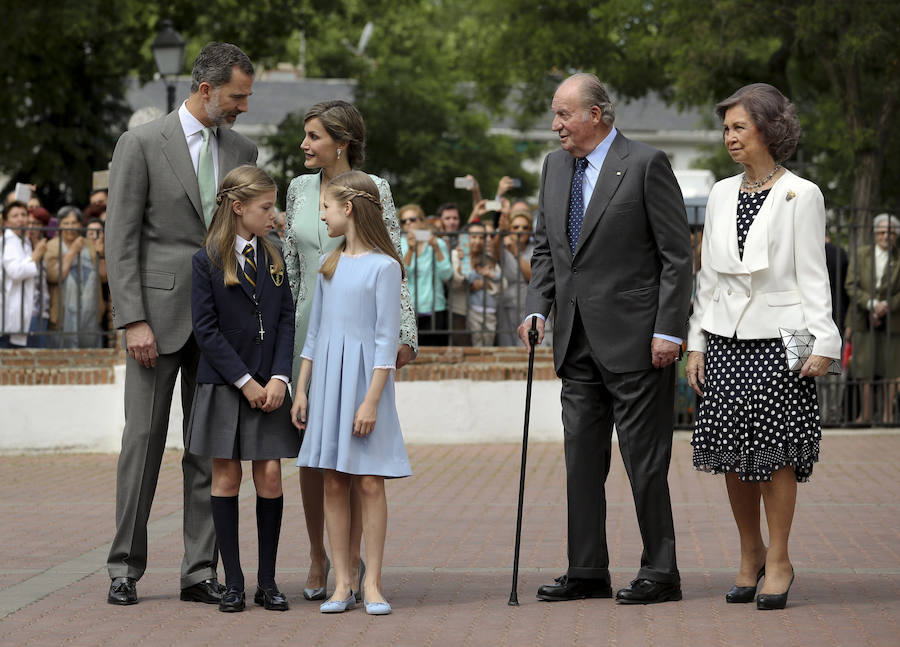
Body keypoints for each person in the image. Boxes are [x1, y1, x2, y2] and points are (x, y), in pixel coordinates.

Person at [520, 73, 692, 605]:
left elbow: (676, 256)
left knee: (645, 462)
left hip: (639, 344)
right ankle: (587, 569)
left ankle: (661, 572)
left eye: (564, 114)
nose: (556, 126)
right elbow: (546, 248)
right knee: (581, 463)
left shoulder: (645, 164)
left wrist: (669, 329)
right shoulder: (552, 168)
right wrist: (537, 308)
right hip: (574, 343)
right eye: (556, 115)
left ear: (596, 113)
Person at [104, 42, 258, 606]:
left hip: (220, 325)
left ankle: (199, 571)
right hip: (157, 320)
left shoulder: (243, 147)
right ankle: (124, 567)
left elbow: (244, 238)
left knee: (209, 448)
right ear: (205, 90)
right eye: (237, 97)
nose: (243, 107)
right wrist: (134, 319)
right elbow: (119, 239)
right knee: (141, 443)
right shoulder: (140, 144)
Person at [685, 83, 841, 610]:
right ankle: (750, 552)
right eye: (725, 128)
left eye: (739, 127)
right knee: (731, 453)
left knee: (775, 454)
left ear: (768, 129)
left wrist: (822, 343)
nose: (729, 137)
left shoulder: (803, 193)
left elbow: (813, 278)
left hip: (783, 340)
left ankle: (780, 559)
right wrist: (695, 344)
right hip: (725, 340)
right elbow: (706, 277)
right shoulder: (722, 194)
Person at [282, 99, 417, 602]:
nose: (305, 145)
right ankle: (321, 555)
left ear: (340, 141)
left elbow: (392, 253)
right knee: (314, 456)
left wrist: (406, 335)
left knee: (357, 459)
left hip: (363, 331)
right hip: (309, 327)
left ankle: (357, 564)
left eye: (313, 136)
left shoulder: (372, 187)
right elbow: (295, 269)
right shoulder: (297, 188)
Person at [187, 166, 299, 613]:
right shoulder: (206, 259)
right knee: (226, 478)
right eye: (266, 207)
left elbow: (287, 321)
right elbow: (206, 330)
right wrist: (245, 381)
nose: (274, 216)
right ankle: (232, 582)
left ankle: (266, 582)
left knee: (270, 476)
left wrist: (279, 378)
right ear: (238, 208)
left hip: (269, 385)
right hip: (226, 386)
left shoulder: (274, 256)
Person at [846, 213, 900, 423]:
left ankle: (887, 416)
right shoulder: (861, 254)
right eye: (882, 232)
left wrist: (887, 305)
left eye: (891, 232)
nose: (886, 236)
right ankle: (865, 415)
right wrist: (871, 304)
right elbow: (850, 284)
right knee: (863, 369)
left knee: (890, 369)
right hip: (862, 318)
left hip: (893, 321)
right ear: (875, 233)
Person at [44, 206, 104, 348]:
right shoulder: (52, 246)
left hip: (91, 315)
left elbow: (103, 277)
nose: (70, 227)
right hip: (63, 316)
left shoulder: (89, 244)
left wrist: (101, 255)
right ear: (59, 226)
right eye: (66, 223)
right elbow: (54, 276)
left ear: (80, 225)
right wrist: (72, 251)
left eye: (73, 223)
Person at [400, 205, 452, 345]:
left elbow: (446, 274)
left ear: (422, 221)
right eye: (404, 221)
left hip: (435, 306)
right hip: (409, 308)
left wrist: (436, 248)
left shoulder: (437, 243)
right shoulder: (400, 244)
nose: (408, 223)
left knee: (436, 349)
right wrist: (411, 250)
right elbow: (401, 274)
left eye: (412, 219)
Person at [1, 201, 47, 348]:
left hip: (19, 313)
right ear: (7, 221)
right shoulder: (7, 242)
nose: (20, 219)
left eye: (23, 215)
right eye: (15, 216)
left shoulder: (22, 241)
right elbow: (15, 271)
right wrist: (35, 256)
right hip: (8, 312)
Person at [457, 221, 500, 346]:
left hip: (489, 309)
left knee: (488, 340)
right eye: (473, 237)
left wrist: (487, 283)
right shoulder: (460, 255)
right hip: (469, 310)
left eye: (481, 237)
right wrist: (464, 260)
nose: (477, 241)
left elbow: (502, 282)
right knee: (476, 341)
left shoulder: (488, 257)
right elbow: (462, 280)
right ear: (466, 238)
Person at [495, 208, 534, 346]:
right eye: (516, 227)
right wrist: (500, 231)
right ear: (510, 229)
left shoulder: (535, 249)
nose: (520, 230)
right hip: (507, 306)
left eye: (525, 227)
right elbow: (494, 251)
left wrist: (515, 252)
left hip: (528, 306)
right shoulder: (503, 249)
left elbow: (530, 275)